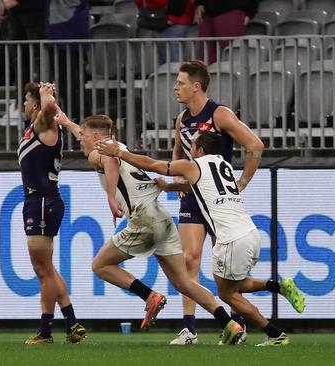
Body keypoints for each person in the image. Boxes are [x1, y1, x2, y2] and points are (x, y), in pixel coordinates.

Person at [97, 131, 306, 346]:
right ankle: (279, 286)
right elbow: (194, 186)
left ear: (201, 150)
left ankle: (275, 335)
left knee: (228, 294)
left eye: (193, 145)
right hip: (250, 233)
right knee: (236, 286)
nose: (190, 149)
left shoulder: (193, 165)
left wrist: (120, 152)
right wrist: (170, 187)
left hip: (231, 239)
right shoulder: (223, 166)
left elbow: (154, 165)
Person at [57, 113, 245, 344]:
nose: (78, 139)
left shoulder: (100, 152)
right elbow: (91, 136)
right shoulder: (119, 146)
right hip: (162, 217)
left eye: (82, 135)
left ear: (96, 137)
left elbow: (110, 161)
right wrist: (66, 123)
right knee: (184, 282)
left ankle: (149, 296)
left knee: (100, 265)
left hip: (144, 218)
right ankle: (229, 323)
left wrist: (110, 198)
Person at [162, 60, 264, 345]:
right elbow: (177, 153)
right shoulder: (182, 119)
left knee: (229, 266)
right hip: (194, 198)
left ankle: (238, 325)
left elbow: (255, 146)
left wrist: (241, 182)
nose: (175, 87)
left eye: (180, 83)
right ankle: (189, 329)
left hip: (219, 201)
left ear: (196, 86)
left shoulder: (220, 114)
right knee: (188, 259)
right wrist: (180, 182)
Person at [18, 82, 86, 345]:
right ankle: (71, 323)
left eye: (26, 100)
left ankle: (46, 332)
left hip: (43, 202)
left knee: (43, 270)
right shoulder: (36, 128)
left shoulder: (43, 125)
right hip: (41, 201)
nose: (24, 105)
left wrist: (46, 92)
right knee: (45, 268)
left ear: (35, 104)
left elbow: (48, 106)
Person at [46, 0, 90, 123]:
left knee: (70, 82)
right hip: (64, 33)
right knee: (68, 82)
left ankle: (78, 119)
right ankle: (77, 118)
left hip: (65, 32)